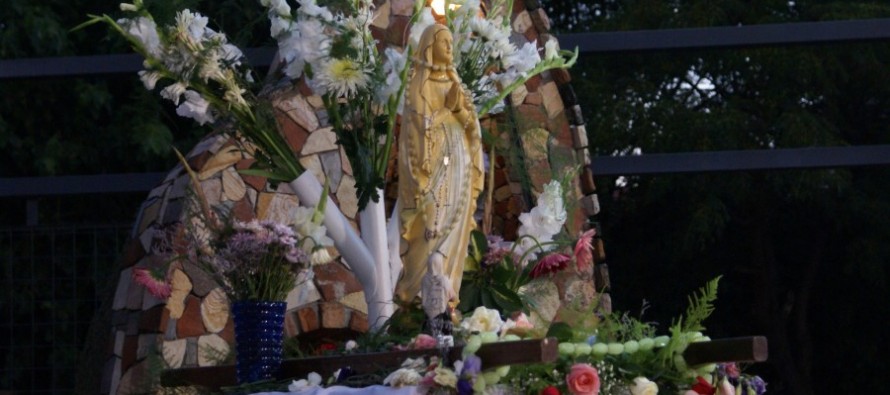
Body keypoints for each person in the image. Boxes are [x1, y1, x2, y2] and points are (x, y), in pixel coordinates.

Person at [393, 23, 484, 313]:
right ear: (430, 47)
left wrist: (460, 110)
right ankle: (419, 299)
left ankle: (446, 298)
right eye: (444, 43)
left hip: (458, 163)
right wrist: (448, 110)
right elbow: (419, 130)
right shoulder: (420, 86)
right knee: (429, 226)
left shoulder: (455, 82)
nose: (449, 48)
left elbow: (472, 127)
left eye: (450, 44)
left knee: (454, 226)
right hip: (432, 167)